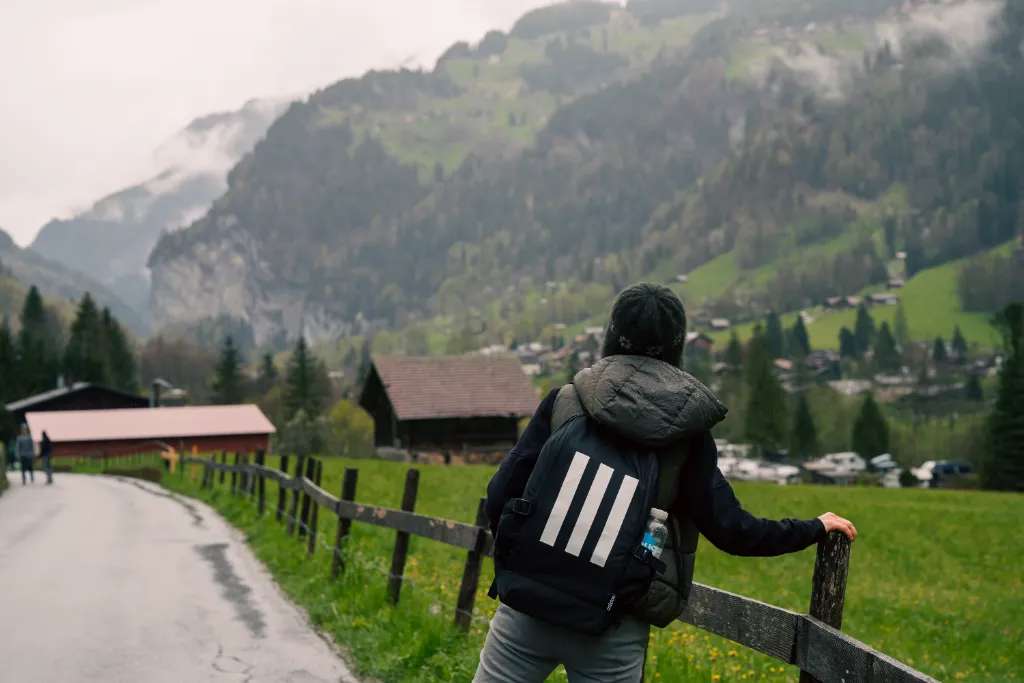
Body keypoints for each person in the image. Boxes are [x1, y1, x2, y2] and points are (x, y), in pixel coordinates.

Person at [475, 283, 856, 682]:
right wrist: (813, 528)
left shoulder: (564, 402)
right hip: (612, 622)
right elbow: (733, 531)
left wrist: (524, 565)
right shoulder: (686, 437)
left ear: (610, 335)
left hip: (526, 609)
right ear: (677, 347)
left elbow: (500, 494)